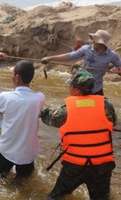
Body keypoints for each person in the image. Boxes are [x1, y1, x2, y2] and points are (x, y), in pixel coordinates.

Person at [40, 70, 117, 199]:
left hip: (75, 166)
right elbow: (113, 122)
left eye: (70, 85)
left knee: (56, 196)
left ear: (77, 90)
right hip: (101, 166)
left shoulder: (65, 111)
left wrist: (42, 111)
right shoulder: (106, 105)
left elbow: (49, 118)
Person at [0, 60, 45, 178]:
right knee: (24, 181)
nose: (11, 77)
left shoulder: (6, 97)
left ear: (17, 77)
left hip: (8, 149)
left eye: (12, 74)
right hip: (27, 152)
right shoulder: (39, 98)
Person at [41, 29, 121, 95]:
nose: (93, 41)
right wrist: (49, 58)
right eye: (93, 39)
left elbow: (120, 68)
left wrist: (116, 71)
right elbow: (70, 56)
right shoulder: (86, 49)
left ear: (102, 43)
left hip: (96, 89)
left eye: (96, 40)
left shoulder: (112, 55)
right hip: (81, 88)